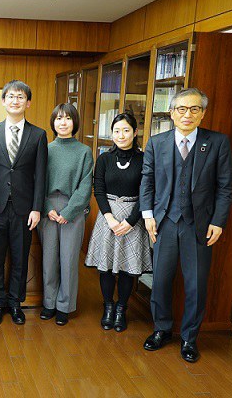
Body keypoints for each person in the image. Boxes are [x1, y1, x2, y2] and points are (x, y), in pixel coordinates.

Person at [140, 88, 232, 363]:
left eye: (194, 109)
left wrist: (218, 221)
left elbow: (225, 187)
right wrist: (148, 215)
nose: (187, 114)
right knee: (160, 281)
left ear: (203, 113)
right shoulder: (156, 142)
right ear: (171, 113)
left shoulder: (217, 143)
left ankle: (190, 338)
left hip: (199, 225)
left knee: (196, 284)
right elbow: (147, 181)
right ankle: (161, 329)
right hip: (164, 222)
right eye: (181, 109)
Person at [0, 80, 47, 326]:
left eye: (20, 97)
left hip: (24, 208)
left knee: (20, 257)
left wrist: (37, 208)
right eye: (11, 96)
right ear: (3, 101)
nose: (15, 101)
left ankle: (15, 303)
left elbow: (41, 175)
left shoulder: (38, 135)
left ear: (28, 103)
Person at [85, 112, 151, 332]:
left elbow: (146, 192)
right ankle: (108, 307)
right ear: (112, 133)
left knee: (126, 268)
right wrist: (110, 218)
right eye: (116, 131)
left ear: (135, 132)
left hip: (134, 218)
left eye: (126, 130)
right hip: (108, 217)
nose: (121, 135)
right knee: (105, 267)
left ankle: (121, 308)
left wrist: (131, 221)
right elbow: (99, 189)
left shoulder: (144, 159)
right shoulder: (104, 159)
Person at [38, 103, 93, 326]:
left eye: (68, 118)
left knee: (69, 259)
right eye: (59, 118)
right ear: (53, 122)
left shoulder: (84, 151)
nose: (63, 122)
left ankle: (64, 305)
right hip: (48, 208)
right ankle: (49, 303)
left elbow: (85, 185)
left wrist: (69, 211)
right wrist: (46, 207)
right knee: (49, 259)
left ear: (74, 122)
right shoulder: (46, 149)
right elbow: (37, 181)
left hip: (74, 208)